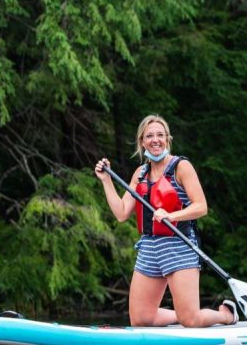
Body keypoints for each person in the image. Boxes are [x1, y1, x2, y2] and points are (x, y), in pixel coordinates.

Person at [94, 114, 236, 327]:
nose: (155, 139)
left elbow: (201, 207)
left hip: (179, 245)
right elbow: (122, 213)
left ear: (167, 139)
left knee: (191, 321)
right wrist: (106, 181)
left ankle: (225, 315)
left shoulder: (181, 167)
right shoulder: (140, 174)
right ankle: (183, 313)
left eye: (160, 135)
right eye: (149, 136)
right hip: (149, 247)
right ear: (142, 142)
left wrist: (172, 215)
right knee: (141, 320)